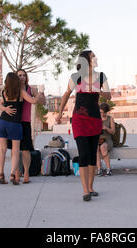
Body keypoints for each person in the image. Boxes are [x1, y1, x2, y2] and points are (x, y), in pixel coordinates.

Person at [56, 50, 111, 202]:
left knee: (93, 154)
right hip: (80, 119)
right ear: (86, 60)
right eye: (93, 56)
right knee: (84, 153)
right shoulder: (76, 76)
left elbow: (109, 95)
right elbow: (67, 94)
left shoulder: (101, 76)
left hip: (95, 119)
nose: (95, 57)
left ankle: (91, 187)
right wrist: (59, 112)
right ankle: (85, 190)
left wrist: (98, 90)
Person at [0, 72, 42, 185]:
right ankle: (12, 175)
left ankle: (1, 174)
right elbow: (33, 101)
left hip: (2, 123)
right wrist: (40, 94)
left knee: (2, 149)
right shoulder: (21, 92)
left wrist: (5, 109)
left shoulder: (4, 92)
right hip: (14, 124)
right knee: (16, 150)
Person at [16, 69, 46, 184]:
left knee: (25, 149)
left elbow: (42, 102)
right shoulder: (14, 89)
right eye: (19, 75)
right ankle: (16, 172)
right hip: (14, 122)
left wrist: (41, 94)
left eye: (24, 75)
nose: (22, 77)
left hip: (25, 122)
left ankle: (26, 173)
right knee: (15, 150)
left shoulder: (30, 89)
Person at [97, 103, 115, 177]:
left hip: (107, 140)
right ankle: (99, 169)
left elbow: (113, 132)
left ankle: (108, 169)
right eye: (99, 112)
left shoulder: (110, 118)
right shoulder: (97, 118)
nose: (100, 113)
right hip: (98, 139)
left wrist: (106, 128)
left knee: (103, 147)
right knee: (95, 147)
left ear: (105, 112)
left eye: (101, 112)